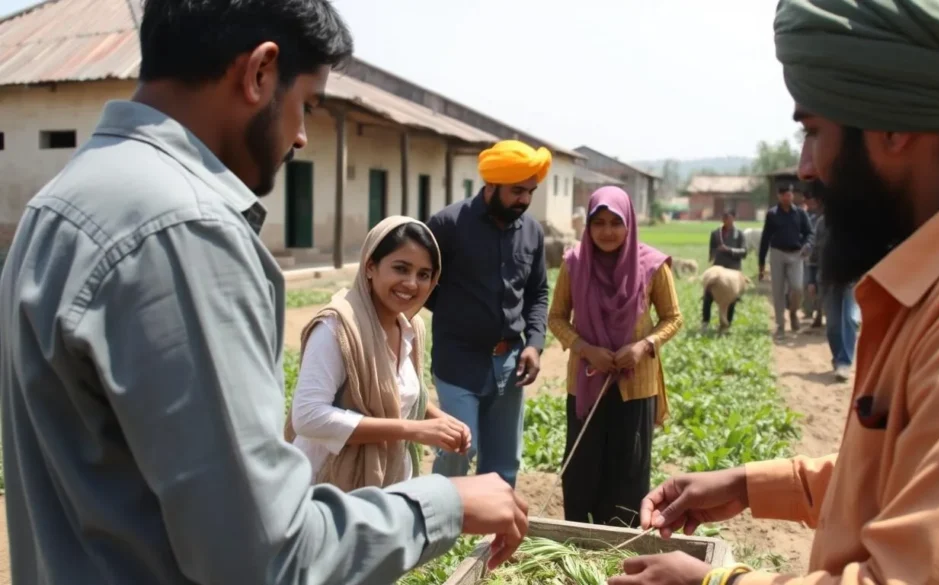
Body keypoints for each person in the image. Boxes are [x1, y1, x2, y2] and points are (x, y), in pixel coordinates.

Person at [0, 3, 528, 584]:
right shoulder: (186, 231)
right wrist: (445, 504)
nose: (301, 135)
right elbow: (264, 555)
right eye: (305, 104)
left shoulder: (57, 204)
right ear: (259, 72)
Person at [609, 1, 939, 584]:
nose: (804, 167)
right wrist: (751, 485)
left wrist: (715, 582)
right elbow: (903, 471)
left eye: (813, 131)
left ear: (894, 126)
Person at [284, 216, 472, 490]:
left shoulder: (410, 327)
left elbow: (396, 393)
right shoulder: (338, 328)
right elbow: (309, 417)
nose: (411, 283)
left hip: (386, 482)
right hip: (328, 489)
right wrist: (413, 430)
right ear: (370, 266)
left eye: (424, 274)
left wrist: (438, 419)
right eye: (401, 268)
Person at [548, 186, 682, 528]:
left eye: (615, 223)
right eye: (599, 223)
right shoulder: (575, 263)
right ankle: (579, 538)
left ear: (630, 224)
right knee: (581, 467)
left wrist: (644, 345)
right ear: (588, 226)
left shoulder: (652, 265)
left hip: (635, 385)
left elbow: (673, 317)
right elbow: (557, 317)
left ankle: (619, 543)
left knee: (629, 468)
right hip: (587, 383)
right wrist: (585, 349)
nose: (607, 232)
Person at [426, 139, 550, 489]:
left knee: (503, 464)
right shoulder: (448, 225)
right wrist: (457, 313)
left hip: (511, 364)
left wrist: (534, 344)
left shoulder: (532, 232)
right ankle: (437, 525)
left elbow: (537, 292)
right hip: (458, 361)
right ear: (491, 184)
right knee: (460, 447)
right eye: (517, 191)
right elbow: (424, 284)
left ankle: (492, 539)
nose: (524, 200)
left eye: (530, 191)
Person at [806, 204, 859, 382]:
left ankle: (845, 363)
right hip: (828, 280)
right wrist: (811, 279)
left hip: (851, 278)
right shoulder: (822, 223)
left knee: (851, 318)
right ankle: (838, 358)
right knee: (833, 325)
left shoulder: (857, 222)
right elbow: (814, 254)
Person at [757, 184, 813, 339]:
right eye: (783, 195)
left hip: (796, 254)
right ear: (778, 196)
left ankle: (794, 312)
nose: (786, 197)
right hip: (777, 254)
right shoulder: (772, 214)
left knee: (797, 287)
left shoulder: (800, 214)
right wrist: (761, 262)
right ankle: (780, 325)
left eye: (789, 195)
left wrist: (808, 245)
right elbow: (765, 238)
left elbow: (809, 233)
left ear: (792, 195)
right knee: (778, 290)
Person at [702, 209, 747, 330]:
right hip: (718, 268)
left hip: (732, 270)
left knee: (731, 299)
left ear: (734, 218)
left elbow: (744, 252)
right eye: (724, 217)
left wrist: (729, 250)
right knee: (708, 295)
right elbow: (711, 249)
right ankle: (705, 322)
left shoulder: (739, 234)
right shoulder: (716, 233)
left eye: (728, 217)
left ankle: (727, 323)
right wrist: (712, 259)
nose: (726, 220)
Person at [801, 193, 823, 326]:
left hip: (825, 257)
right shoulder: (809, 217)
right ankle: (814, 312)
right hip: (812, 255)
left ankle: (819, 314)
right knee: (811, 285)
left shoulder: (825, 218)